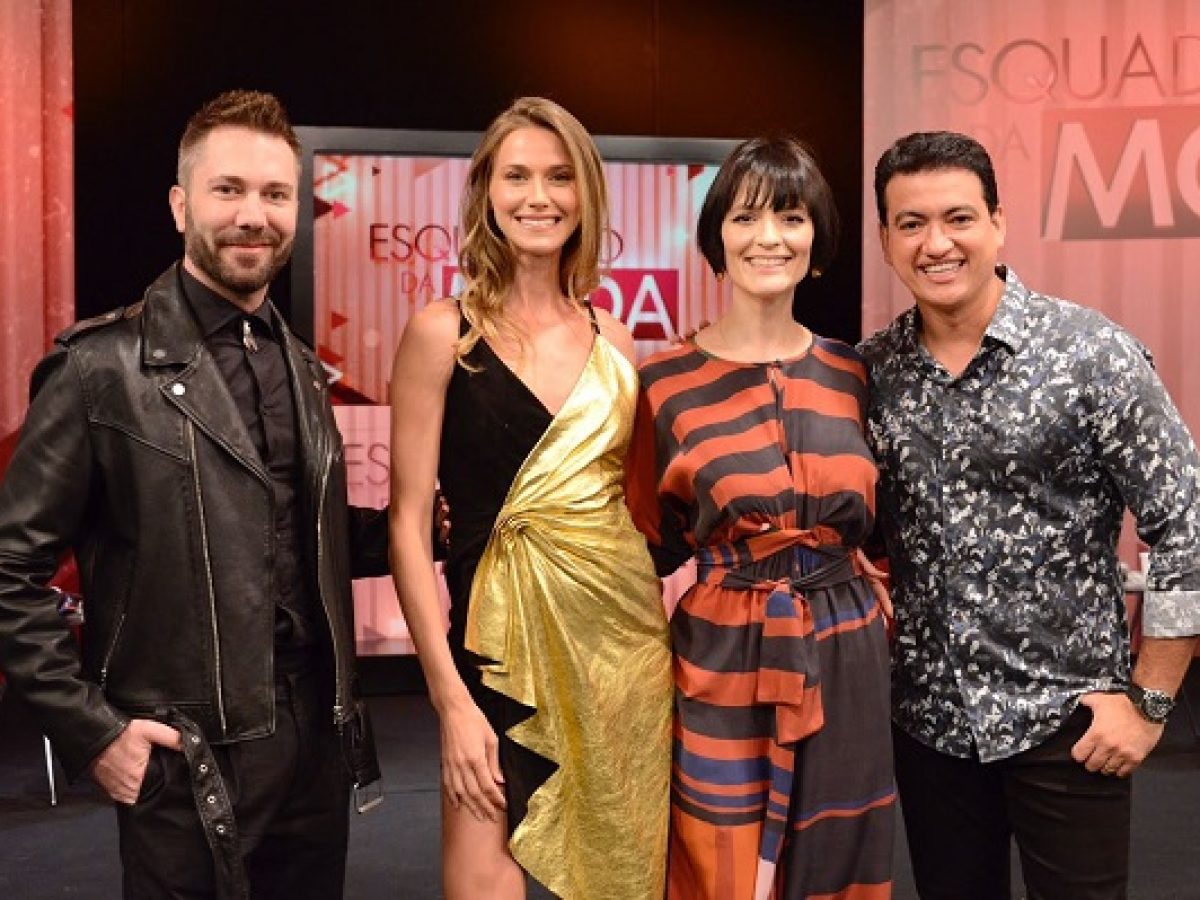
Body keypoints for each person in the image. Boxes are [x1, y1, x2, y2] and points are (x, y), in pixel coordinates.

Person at [0, 89, 391, 899]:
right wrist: (93, 732)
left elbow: (290, 536)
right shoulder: (98, 368)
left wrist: (425, 530)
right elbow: (8, 570)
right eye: (228, 190)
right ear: (181, 206)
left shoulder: (302, 367)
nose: (254, 215)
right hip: (185, 754)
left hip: (315, 742)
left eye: (275, 194)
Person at [861, 130, 1200, 900]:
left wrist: (1150, 704)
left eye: (958, 218)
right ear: (885, 239)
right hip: (933, 727)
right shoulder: (871, 373)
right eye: (911, 223)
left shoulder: (1090, 353)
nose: (936, 243)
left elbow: (1186, 524)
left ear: (998, 223)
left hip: (1072, 723)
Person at [387, 96, 672, 900]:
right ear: (486, 190)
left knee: (621, 878)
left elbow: (631, 510)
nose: (538, 196)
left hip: (621, 652)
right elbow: (408, 525)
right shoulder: (441, 333)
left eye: (558, 177)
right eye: (516, 176)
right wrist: (448, 700)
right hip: (492, 656)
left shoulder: (618, 343)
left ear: (586, 194)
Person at [626, 136, 895, 900]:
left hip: (845, 643)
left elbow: (883, 527)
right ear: (717, 237)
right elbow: (642, 543)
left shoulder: (853, 371)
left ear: (817, 238)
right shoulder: (662, 381)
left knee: (841, 851)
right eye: (745, 218)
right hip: (722, 644)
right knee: (720, 850)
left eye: (790, 216)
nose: (768, 237)